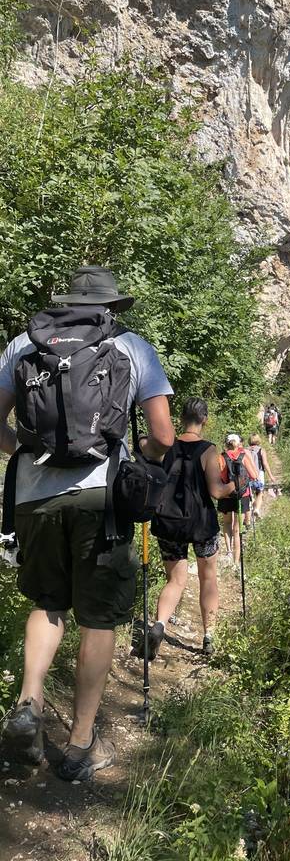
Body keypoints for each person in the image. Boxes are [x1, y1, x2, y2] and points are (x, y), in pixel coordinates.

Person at [0, 266, 174, 782]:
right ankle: (80, 744)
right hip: (101, 499)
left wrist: (31, 453)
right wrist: (136, 455)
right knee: (97, 619)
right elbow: (163, 436)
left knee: (47, 603)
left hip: (33, 498)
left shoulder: (22, 345)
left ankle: (28, 703)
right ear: (109, 306)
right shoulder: (130, 346)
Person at [144, 398, 236, 659]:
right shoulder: (208, 450)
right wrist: (235, 486)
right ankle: (209, 636)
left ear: (180, 419)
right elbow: (217, 492)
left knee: (175, 580)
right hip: (201, 524)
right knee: (208, 578)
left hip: (169, 523)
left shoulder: (165, 445)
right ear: (204, 420)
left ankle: (159, 625)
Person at [218, 434, 258, 566]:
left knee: (227, 523)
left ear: (226, 443)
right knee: (237, 528)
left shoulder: (221, 457)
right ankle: (236, 561)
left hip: (226, 494)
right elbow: (254, 475)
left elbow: (220, 477)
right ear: (237, 443)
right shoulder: (243, 455)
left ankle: (229, 551)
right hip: (242, 495)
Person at [247, 433, 275, 519]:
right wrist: (271, 476)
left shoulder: (245, 450)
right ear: (258, 440)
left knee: (249, 492)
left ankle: (250, 506)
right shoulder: (261, 450)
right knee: (259, 492)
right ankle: (257, 509)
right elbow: (265, 463)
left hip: (247, 473)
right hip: (259, 473)